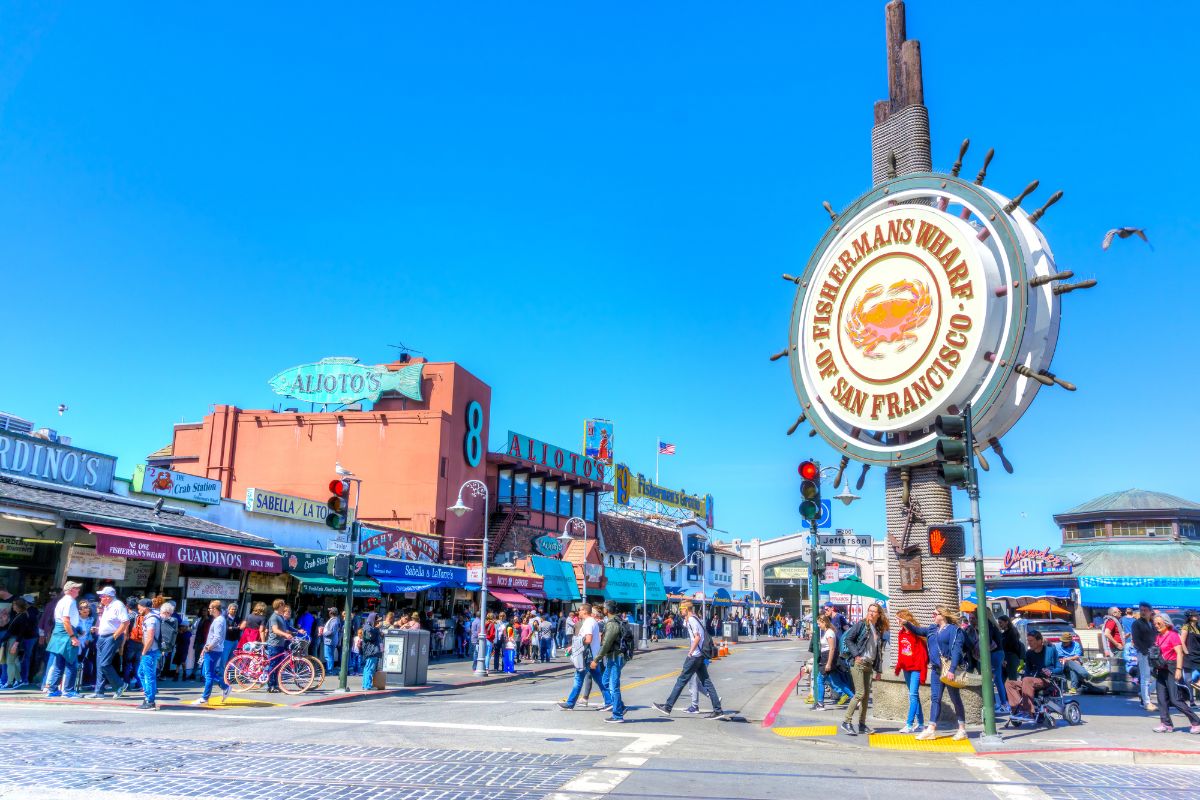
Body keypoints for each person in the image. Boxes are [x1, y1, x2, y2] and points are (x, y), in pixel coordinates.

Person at [653, 599, 729, 721]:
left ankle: (668, 706)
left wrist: (690, 651)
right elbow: (686, 626)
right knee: (706, 682)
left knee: (681, 680)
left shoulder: (692, 620)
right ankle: (718, 710)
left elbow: (697, 637)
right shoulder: (692, 619)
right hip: (699, 656)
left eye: (681, 609)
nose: (680, 611)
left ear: (686, 609)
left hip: (695, 656)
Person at [906, 605, 968, 741]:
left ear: (943, 615)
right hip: (936, 669)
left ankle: (962, 729)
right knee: (935, 699)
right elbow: (917, 630)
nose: (932, 615)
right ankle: (931, 729)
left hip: (948, 669)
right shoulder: (932, 629)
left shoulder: (954, 630)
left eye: (935, 614)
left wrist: (952, 670)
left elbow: (957, 651)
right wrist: (906, 623)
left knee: (955, 699)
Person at [837, 602, 887, 736]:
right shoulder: (861, 625)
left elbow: (878, 652)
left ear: (879, 614)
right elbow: (848, 639)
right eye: (869, 610)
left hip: (869, 665)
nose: (871, 613)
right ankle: (846, 722)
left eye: (874, 611)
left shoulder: (877, 629)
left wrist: (879, 670)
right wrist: (856, 655)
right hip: (858, 663)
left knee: (865, 697)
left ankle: (862, 724)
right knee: (859, 693)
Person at [1150, 614, 1200, 733]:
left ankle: (1196, 722)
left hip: (1172, 667)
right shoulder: (1158, 636)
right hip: (1161, 668)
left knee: (1175, 699)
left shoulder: (1173, 635)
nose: (1156, 626)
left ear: (1166, 623)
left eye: (1159, 623)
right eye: (1155, 624)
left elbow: (1179, 653)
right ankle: (1166, 724)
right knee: (1161, 698)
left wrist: (1178, 669)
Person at [558, 602, 609, 710]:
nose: (578, 612)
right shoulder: (591, 622)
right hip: (591, 656)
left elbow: (588, 639)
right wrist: (573, 646)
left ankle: (570, 703)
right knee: (599, 681)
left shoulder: (588, 623)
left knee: (578, 679)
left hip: (586, 657)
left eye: (580, 610)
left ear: (585, 611)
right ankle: (609, 701)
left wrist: (576, 642)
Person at [1005, 630, 1059, 724]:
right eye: (1028, 640)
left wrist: (1051, 671)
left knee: (1027, 680)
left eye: (1031, 641)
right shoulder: (1029, 653)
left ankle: (1028, 711)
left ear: (1039, 641)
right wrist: (1024, 678)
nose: (1029, 643)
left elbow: (1059, 667)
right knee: (1009, 683)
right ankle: (1018, 709)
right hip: (1030, 680)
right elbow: (1027, 671)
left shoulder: (1051, 650)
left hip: (1046, 680)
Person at [43, 581, 83, 698]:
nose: (78, 590)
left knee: (58, 663)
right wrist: (73, 636)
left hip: (59, 632)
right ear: (70, 590)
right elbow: (66, 620)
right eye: (76, 588)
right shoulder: (69, 601)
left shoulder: (62, 600)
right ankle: (68, 691)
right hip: (66, 633)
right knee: (71, 663)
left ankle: (53, 689)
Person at [88, 587, 129, 698]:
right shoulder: (107, 606)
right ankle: (99, 692)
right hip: (102, 637)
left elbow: (125, 622)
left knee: (105, 663)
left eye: (102, 596)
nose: (100, 598)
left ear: (108, 597)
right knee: (100, 665)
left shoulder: (118, 605)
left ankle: (120, 685)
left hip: (111, 637)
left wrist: (115, 636)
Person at [894, 610, 928, 733]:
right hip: (906, 669)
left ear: (904, 619)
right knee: (914, 696)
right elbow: (901, 652)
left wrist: (923, 673)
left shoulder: (915, 634)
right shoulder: (901, 633)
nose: (896, 621)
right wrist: (899, 666)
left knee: (912, 695)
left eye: (898, 618)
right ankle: (921, 724)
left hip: (916, 669)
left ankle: (909, 724)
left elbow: (923, 655)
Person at [192, 600, 231, 705]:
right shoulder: (219, 619)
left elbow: (217, 637)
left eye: (210, 608)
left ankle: (205, 697)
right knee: (207, 673)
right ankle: (225, 686)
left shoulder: (218, 620)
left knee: (208, 674)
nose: (209, 610)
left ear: (214, 609)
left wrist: (209, 647)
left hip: (213, 650)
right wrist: (206, 648)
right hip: (213, 649)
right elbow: (213, 637)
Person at [812, 614, 852, 709]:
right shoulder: (827, 632)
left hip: (827, 658)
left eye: (819, 623)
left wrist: (829, 663)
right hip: (827, 658)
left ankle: (820, 703)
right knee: (837, 682)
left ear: (824, 622)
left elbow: (832, 648)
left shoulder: (829, 632)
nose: (818, 625)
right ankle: (854, 697)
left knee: (820, 680)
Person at [1131, 602, 1158, 711]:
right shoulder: (1137, 624)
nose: (1142, 612)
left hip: (1154, 653)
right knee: (1145, 678)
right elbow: (1136, 640)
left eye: (1145, 610)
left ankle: (1144, 694)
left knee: (1159, 677)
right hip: (1143, 653)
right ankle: (1146, 702)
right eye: (1141, 610)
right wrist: (1144, 651)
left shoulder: (1152, 623)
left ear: (1150, 611)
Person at [135, 598, 161, 710]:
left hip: (150, 651)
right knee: (141, 673)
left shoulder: (151, 620)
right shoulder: (150, 618)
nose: (138, 609)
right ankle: (148, 697)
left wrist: (144, 652)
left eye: (139, 607)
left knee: (149, 676)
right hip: (150, 651)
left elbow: (150, 639)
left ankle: (150, 701)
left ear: (145, 607)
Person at [265, 601, 295, 694]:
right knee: (273, 665)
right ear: (279, 606)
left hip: (280, 644)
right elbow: (275, 630)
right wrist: (285, 635)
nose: (284, 606)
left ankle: (276, 684)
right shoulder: (274, 617)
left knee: (278, 666)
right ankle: (270, 686)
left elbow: (287, 627)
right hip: (274, 644)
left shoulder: (281, 616)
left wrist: (296, 631)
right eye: (283, 605)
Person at [998, 615, 1024, 683]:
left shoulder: (1012, 632)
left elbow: (1013, 647)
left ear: (1006, 622)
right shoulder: (1005, 633)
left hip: (1011, 658)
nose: (999, 625)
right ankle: (1006, 693)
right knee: (1004, 679)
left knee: (1012, 679)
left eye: (1001, 623)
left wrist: (1006, 659)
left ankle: (1011, 693)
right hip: (1007, 658)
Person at [361, 613, 382, 690]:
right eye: (377, 621)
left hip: (372, 651)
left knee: (368, 668)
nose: (378, 623)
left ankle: (365, 685)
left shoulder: (369, 627)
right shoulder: (368, 628)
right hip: (371, 651)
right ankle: (367, 685)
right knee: (369, 668)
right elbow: (371, 638)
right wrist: (377, 629)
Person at [1181, 610, 1200, 690]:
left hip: (1197, 654)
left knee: (1189, 680)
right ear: (1190, 617)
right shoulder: (1186, 627)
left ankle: (1198, 683)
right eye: (1195, 615)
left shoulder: (1198, 627)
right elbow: (1182, 641)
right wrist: (1186, 653)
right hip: (1189, 655)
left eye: (1197, 615)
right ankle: (1191, 701)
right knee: (1188, 680)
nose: (1198, 616)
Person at [319, 607, 341, 674]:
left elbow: (331, 632)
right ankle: (330, 669)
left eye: (330, 611)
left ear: (331, 613)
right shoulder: (334, 620)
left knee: (328, 656)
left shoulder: (334, 620)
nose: (328, 612)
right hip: (331, 640)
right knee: (330, 655)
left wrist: (323, 633)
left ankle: (330, 670)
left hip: (329, 641)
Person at [221, 603, 241, 670]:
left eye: (235, 610)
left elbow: (240, 628)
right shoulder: (225, 618)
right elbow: (227, 628)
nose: (234, 611)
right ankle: (222, 674)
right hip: (227, 640)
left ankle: (228, 674)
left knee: (232, 659)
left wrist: (232, 628)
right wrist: (236, 628)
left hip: (235, 641)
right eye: (232, 609)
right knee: (224, 658)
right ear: (228, 610)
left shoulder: (238, 618)